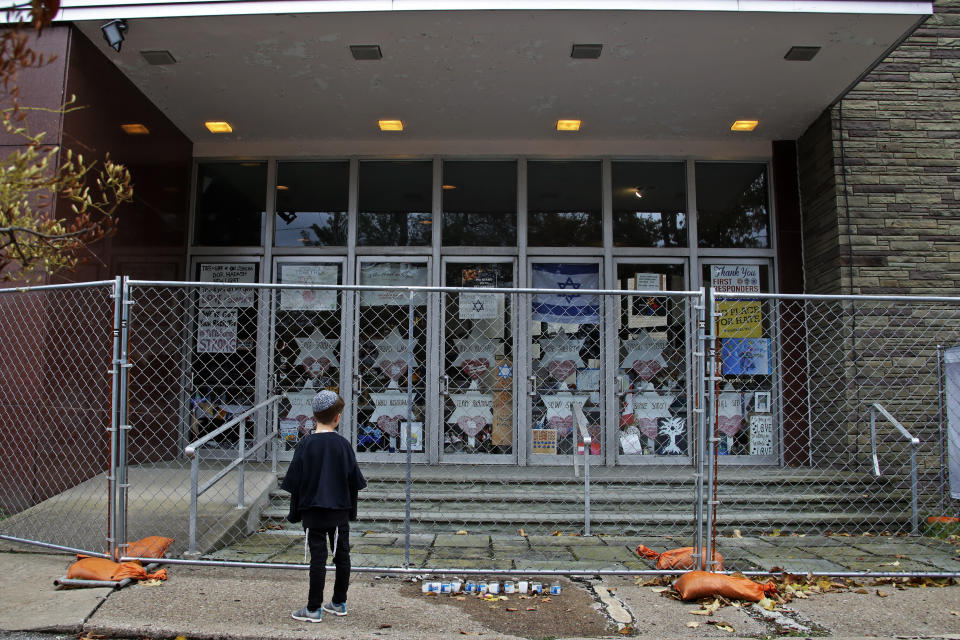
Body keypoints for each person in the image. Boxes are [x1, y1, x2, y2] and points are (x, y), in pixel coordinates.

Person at [282, 390, 366, 623]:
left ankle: (313, 608)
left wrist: (296, 510)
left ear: (314, 416)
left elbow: (294, 481)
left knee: (317, 558)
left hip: (312, 510)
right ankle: (339, 602)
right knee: (342, 556)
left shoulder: (305, 445)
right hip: (339, 509)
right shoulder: (343, 446)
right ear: (337, 417)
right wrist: (350, 509)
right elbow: (354, 480)